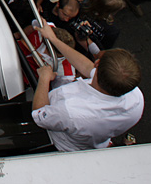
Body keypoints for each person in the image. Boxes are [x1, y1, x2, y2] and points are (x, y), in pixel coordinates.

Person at [31, 23, 144, 151]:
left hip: (59, 144)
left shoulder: (70, 110)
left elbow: (39, 114)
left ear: (97, 63)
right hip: (93, 142)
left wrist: (44, 78)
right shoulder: (136, 98)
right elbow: (87, 67)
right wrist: (54, 40)